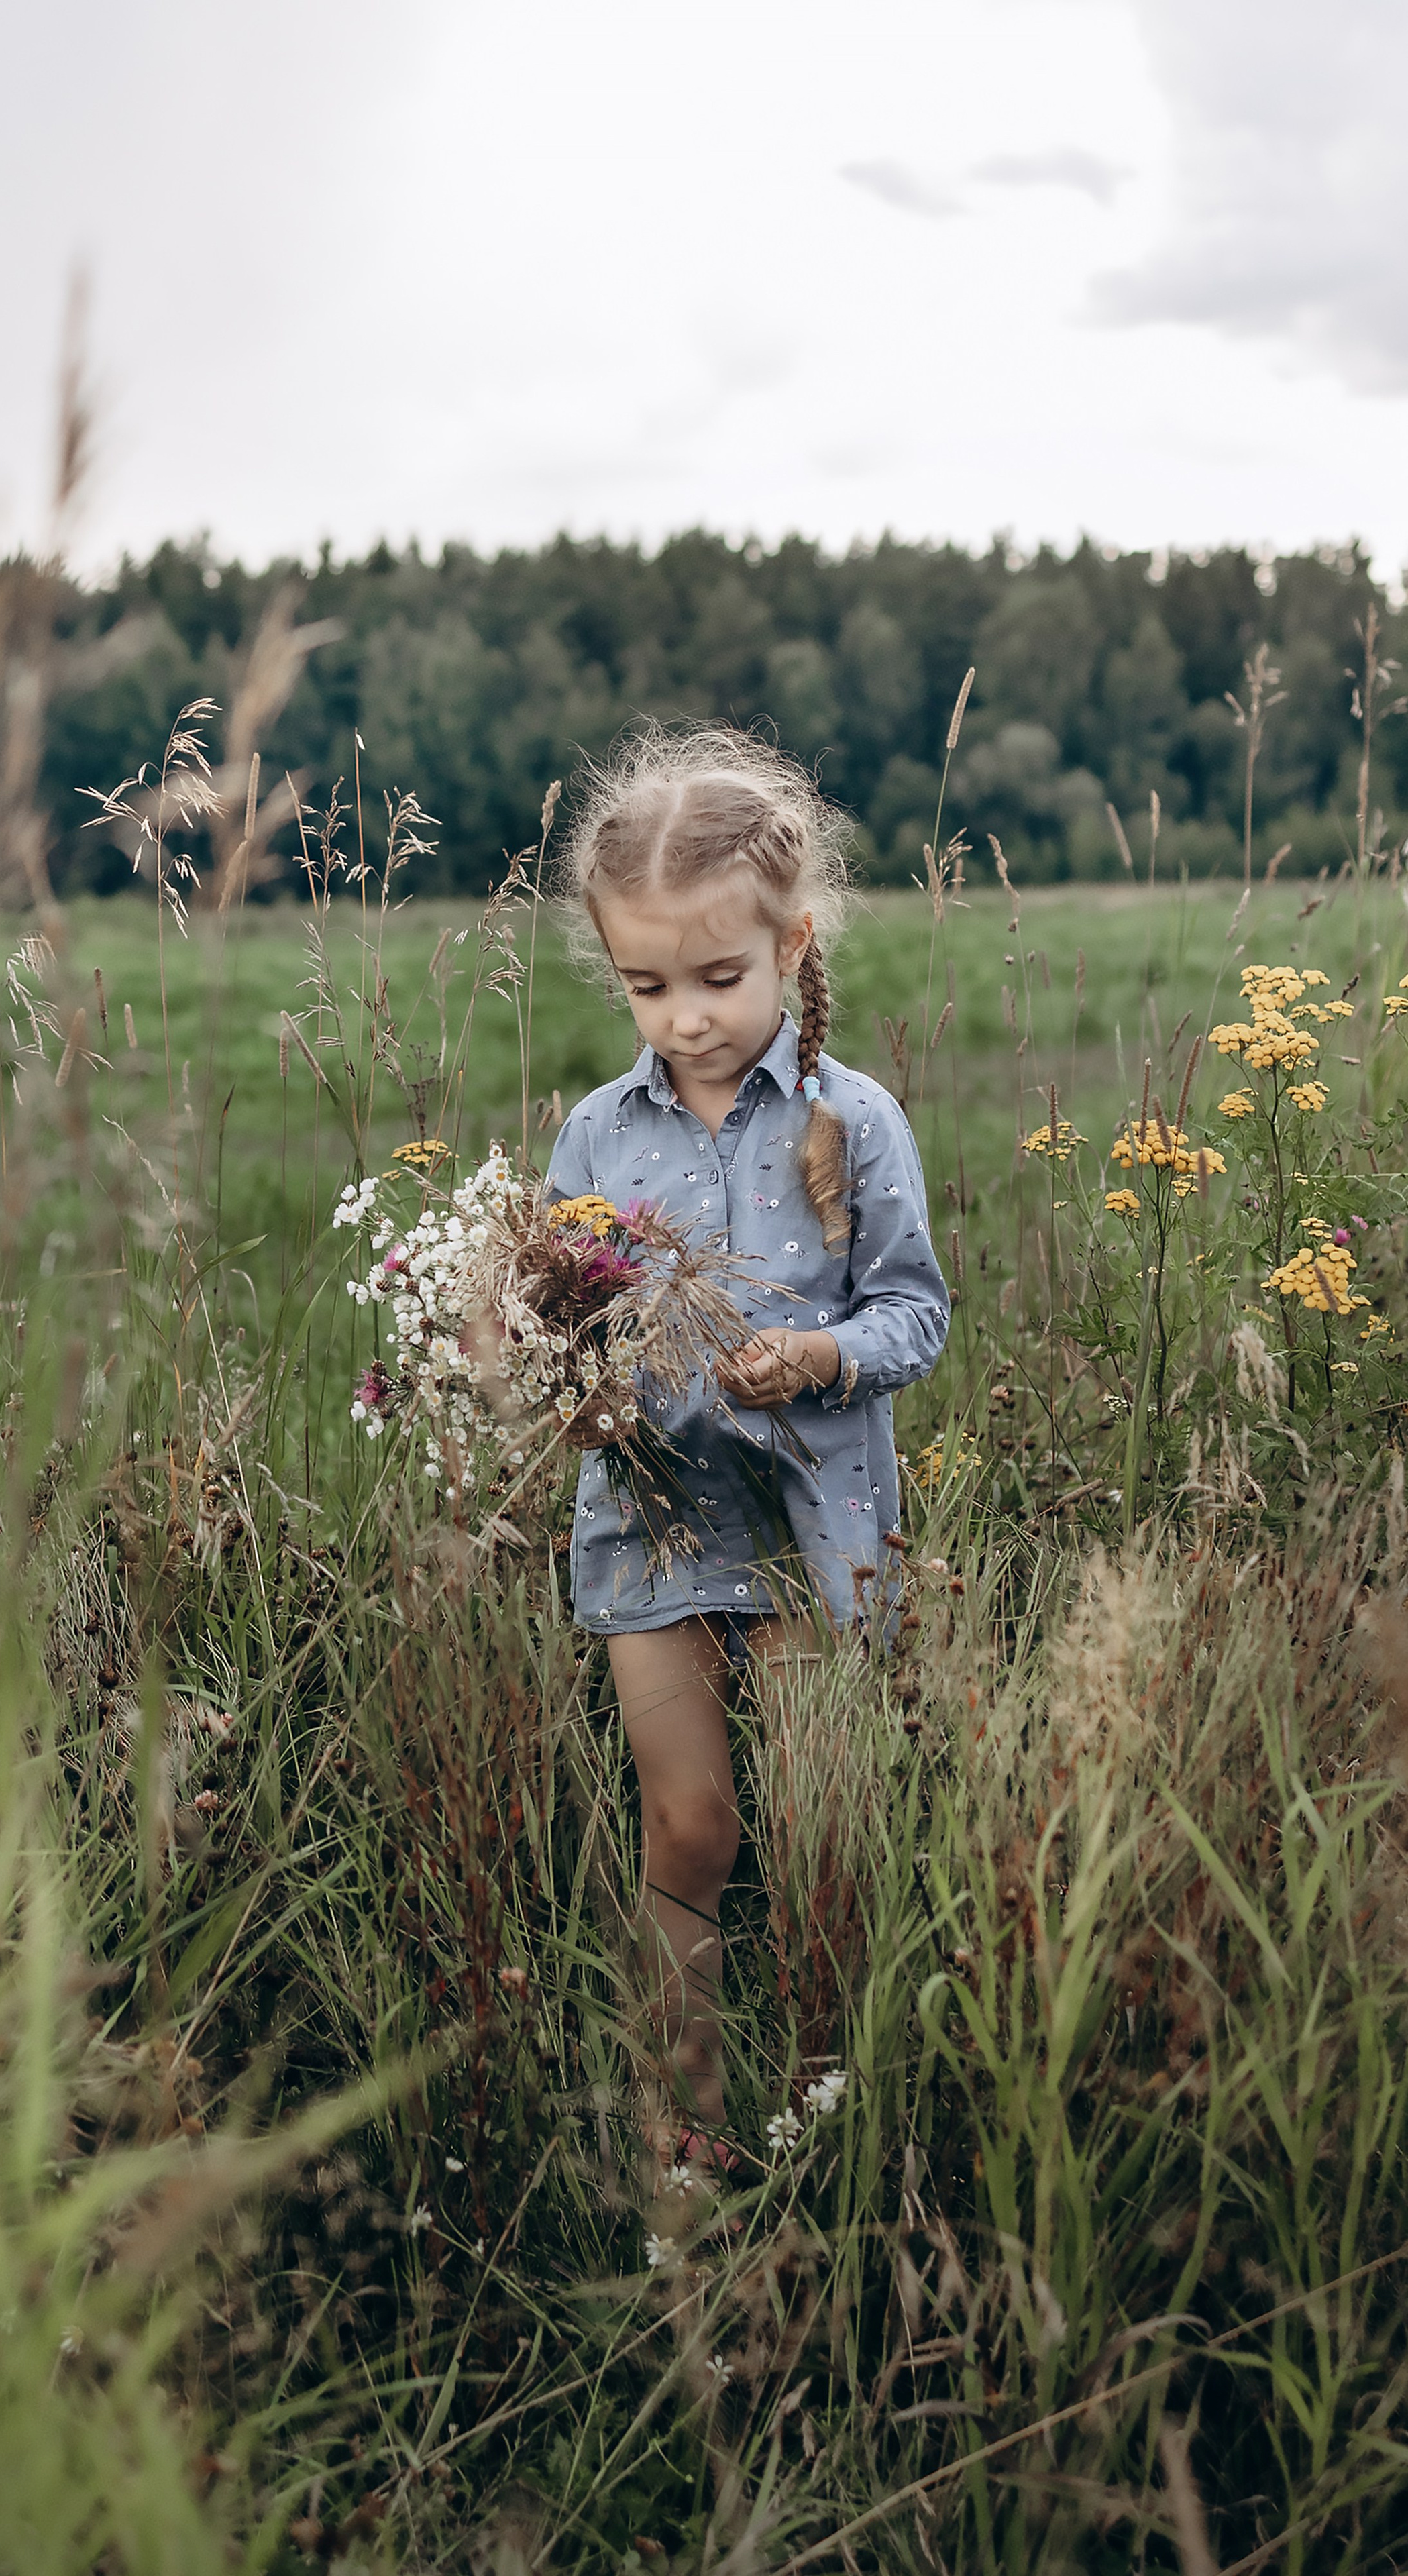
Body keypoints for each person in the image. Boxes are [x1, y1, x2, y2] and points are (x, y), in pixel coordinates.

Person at [543, 725, 949, 2168]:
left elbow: (916, 1314)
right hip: (650, 1517)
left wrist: (824, 1355)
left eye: (717, 980)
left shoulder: (852, 1120)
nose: (685, 1020)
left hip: (811, 1527)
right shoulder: (594, 1135)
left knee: (825, 1820)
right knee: (693, 1822)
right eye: (647, 986)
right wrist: (542, 1367)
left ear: (791, 943)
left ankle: (834, 2097)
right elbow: (556, 1312)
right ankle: (683, 2114)